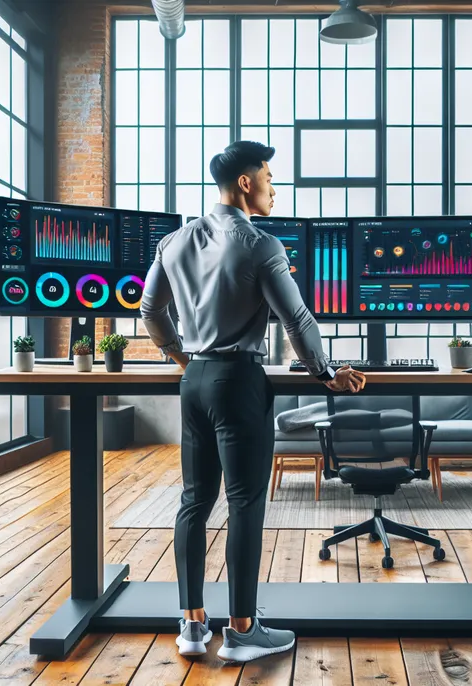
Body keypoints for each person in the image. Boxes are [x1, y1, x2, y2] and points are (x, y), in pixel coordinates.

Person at [140, 140, 366, 663]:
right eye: (266, 175)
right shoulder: (262, 244)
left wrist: (180, 357)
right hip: (239, 381)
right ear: (245, 183)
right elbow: (298, 321)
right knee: (245, 503)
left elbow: (150, 310)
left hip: (194, 381)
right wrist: (328, 374)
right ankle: (242, 632)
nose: (271, 185)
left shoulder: (173, 242)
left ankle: (192, 628)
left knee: (194, 502)